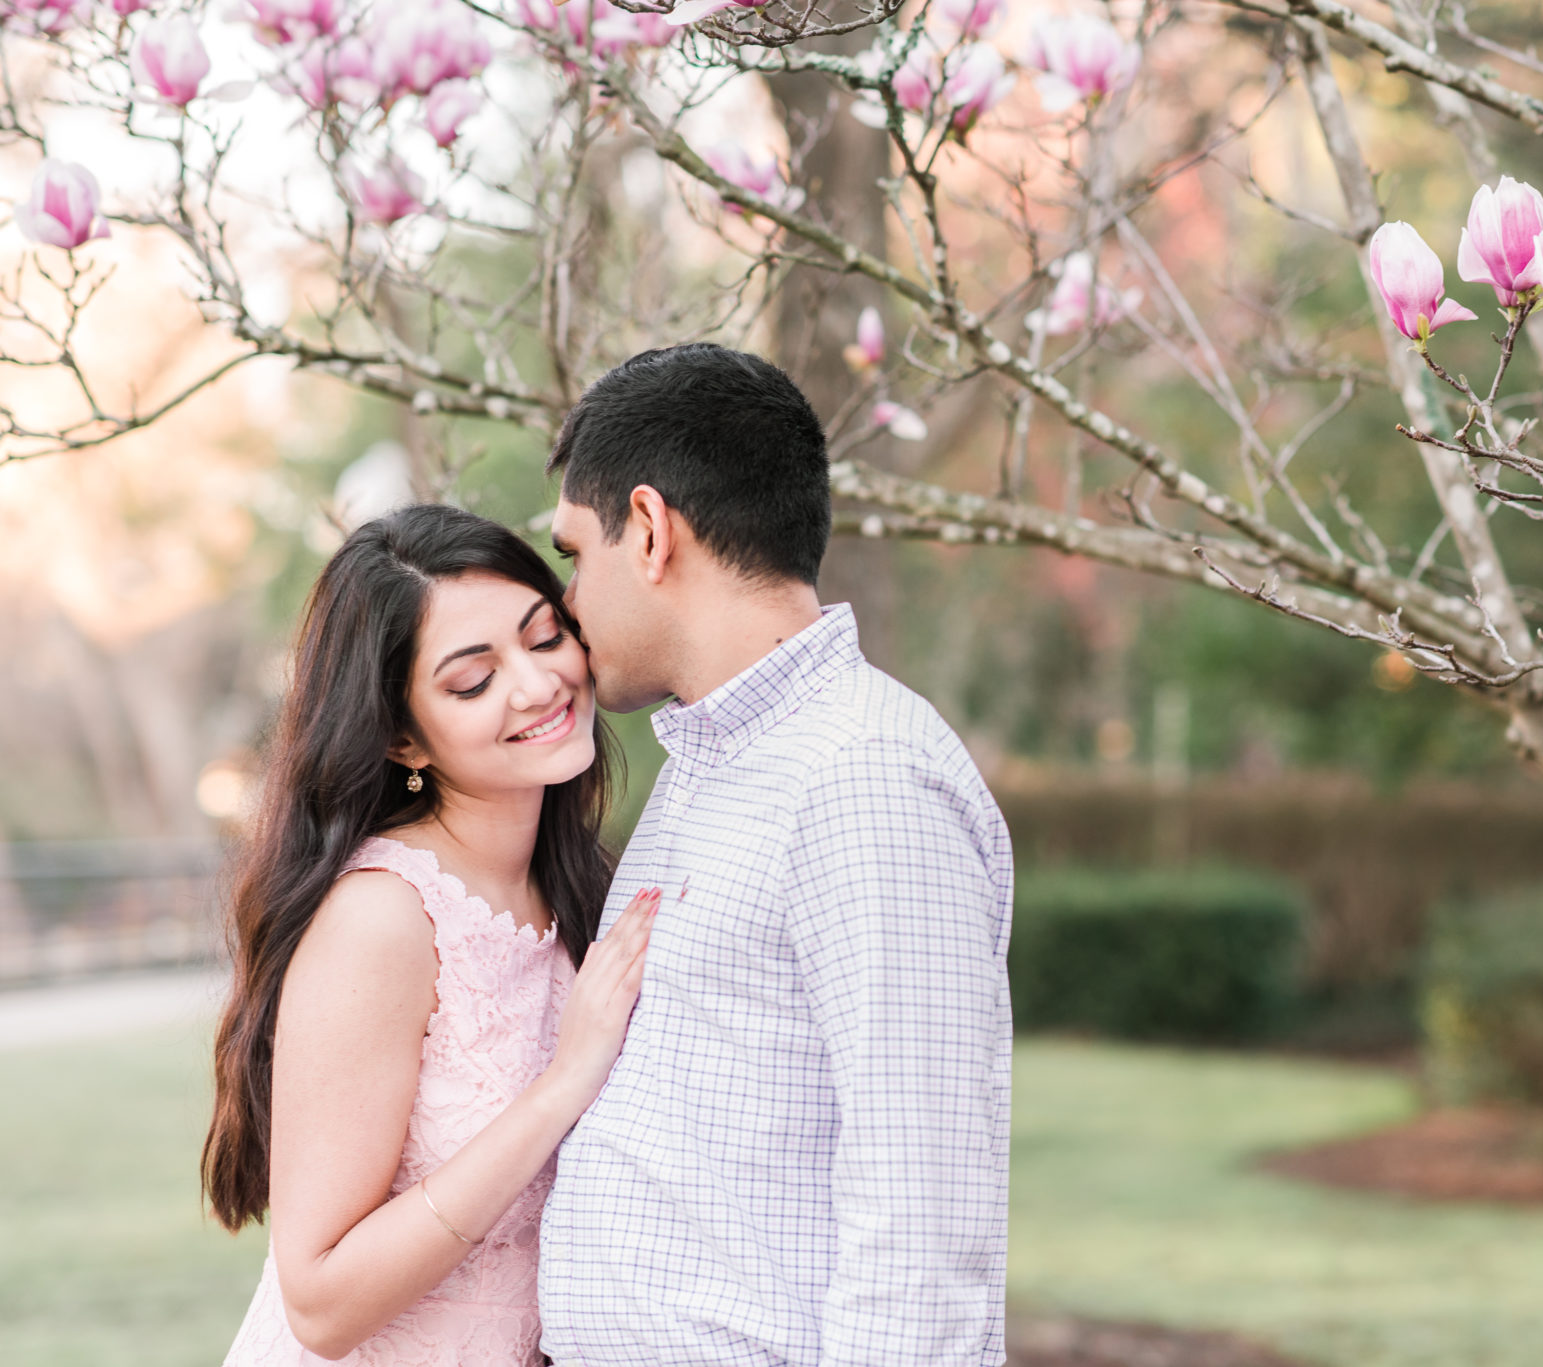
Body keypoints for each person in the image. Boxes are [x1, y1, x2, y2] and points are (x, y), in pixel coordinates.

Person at [539, 342, 1013, 1367]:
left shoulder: (864, 778)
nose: (569, 600)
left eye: (575, 552)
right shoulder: (714, 761)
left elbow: (921, 1224)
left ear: (651, 530)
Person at [207, 503, 659, 1366]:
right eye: (472, 680)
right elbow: (322, 1302)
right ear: (405, 737)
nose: (536, 686)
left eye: (543, 636)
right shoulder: (382, 919)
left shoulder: (580, 887)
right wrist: (562, 1084)